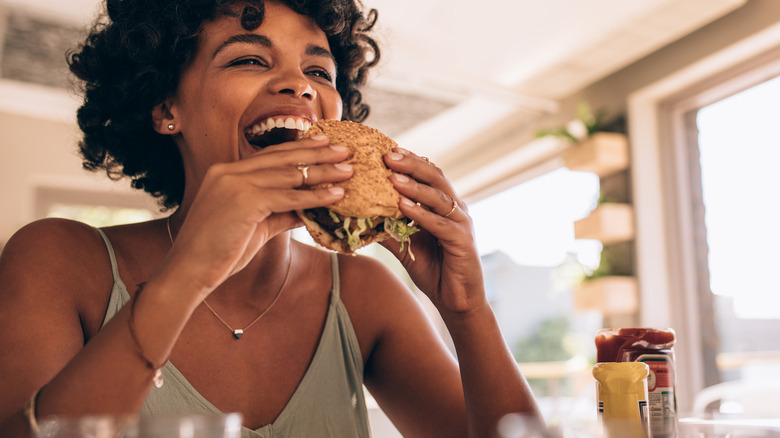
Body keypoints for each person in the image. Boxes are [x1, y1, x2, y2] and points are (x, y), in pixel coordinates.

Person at [0, 0, 542, 437]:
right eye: (249, 59)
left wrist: (468, 310)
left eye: (317, 71)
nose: (299, 85)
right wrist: (186, 276)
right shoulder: (58, 260)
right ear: (167, 109)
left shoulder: (363, 293)